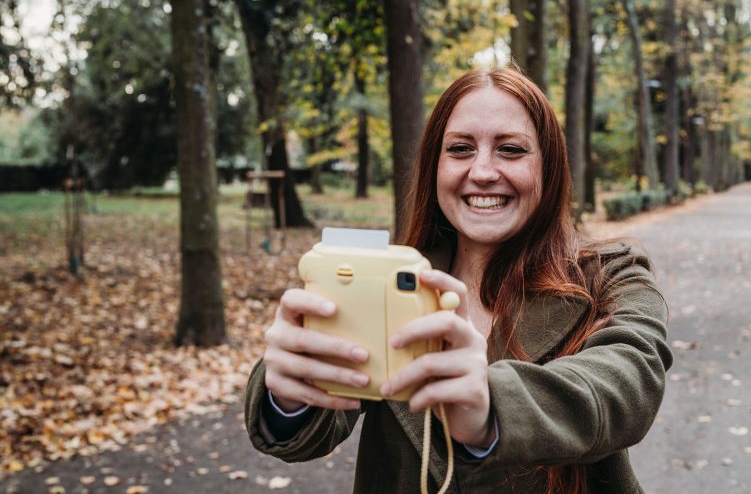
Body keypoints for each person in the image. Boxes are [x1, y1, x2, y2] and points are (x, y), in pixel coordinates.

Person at [244, 67, 672, 493]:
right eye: (461, 149)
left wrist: (490, 407)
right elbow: (313, 428)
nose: (483, 171)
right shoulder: (389, 277)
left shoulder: (613, 273)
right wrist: (288, 398)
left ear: (549, 167)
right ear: (435, 165)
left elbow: (631, 380)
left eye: (510, 149)